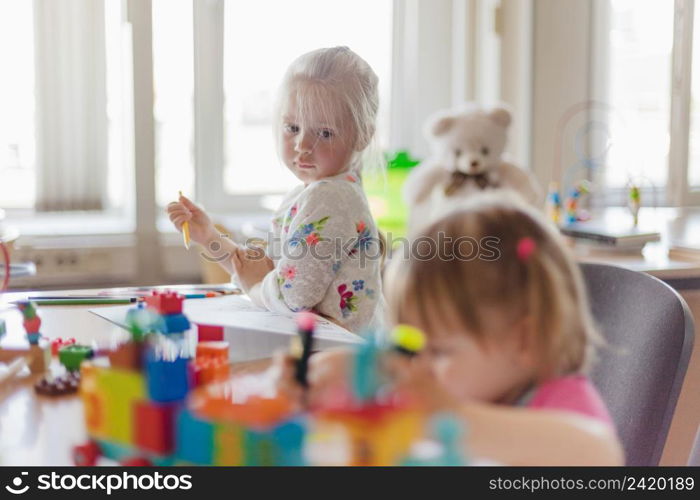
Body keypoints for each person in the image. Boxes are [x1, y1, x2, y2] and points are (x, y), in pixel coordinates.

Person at [277, 195, 624, 465]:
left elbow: (600, 454)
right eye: (410, 345)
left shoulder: (560, 403)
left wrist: (450, 417)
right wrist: (335, 375)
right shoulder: (455, 382)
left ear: (525, 340)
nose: (418, 366)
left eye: (440, 351)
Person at [167, 47, 384, 333]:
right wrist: (209, 237)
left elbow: (292, 296)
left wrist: (256, 289)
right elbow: (272, 272)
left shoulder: (330, 197)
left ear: (362, 135)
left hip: (334, 357)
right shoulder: (312, 193)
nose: (303, 145)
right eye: (293, 127)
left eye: (325, 133)